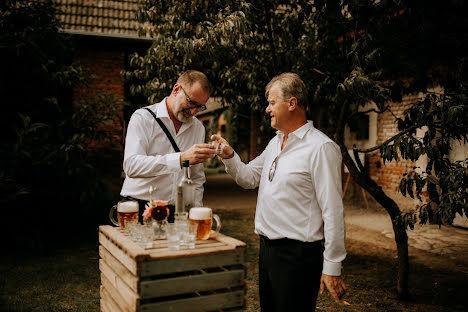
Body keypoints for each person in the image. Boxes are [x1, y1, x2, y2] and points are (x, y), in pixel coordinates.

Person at [211, 72, 347, 311]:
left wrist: (332, 266)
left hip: (298, 257)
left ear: (292, 103)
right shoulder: (275, 142)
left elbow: (333, 211)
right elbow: (249, 177)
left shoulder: (321, 147)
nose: (267, 109)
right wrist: (230, 156)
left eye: (272, 103)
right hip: (267, 251)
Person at [120, 70, 216, 223]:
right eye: (191, 102)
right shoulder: (142, 118)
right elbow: (132, 166)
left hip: (178, 212)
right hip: (139, 207)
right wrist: (180, 158)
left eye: (200, 107)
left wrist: (195, 211)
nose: (193, 111)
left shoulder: (198, 128)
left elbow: (196, 177)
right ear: (176, 89)